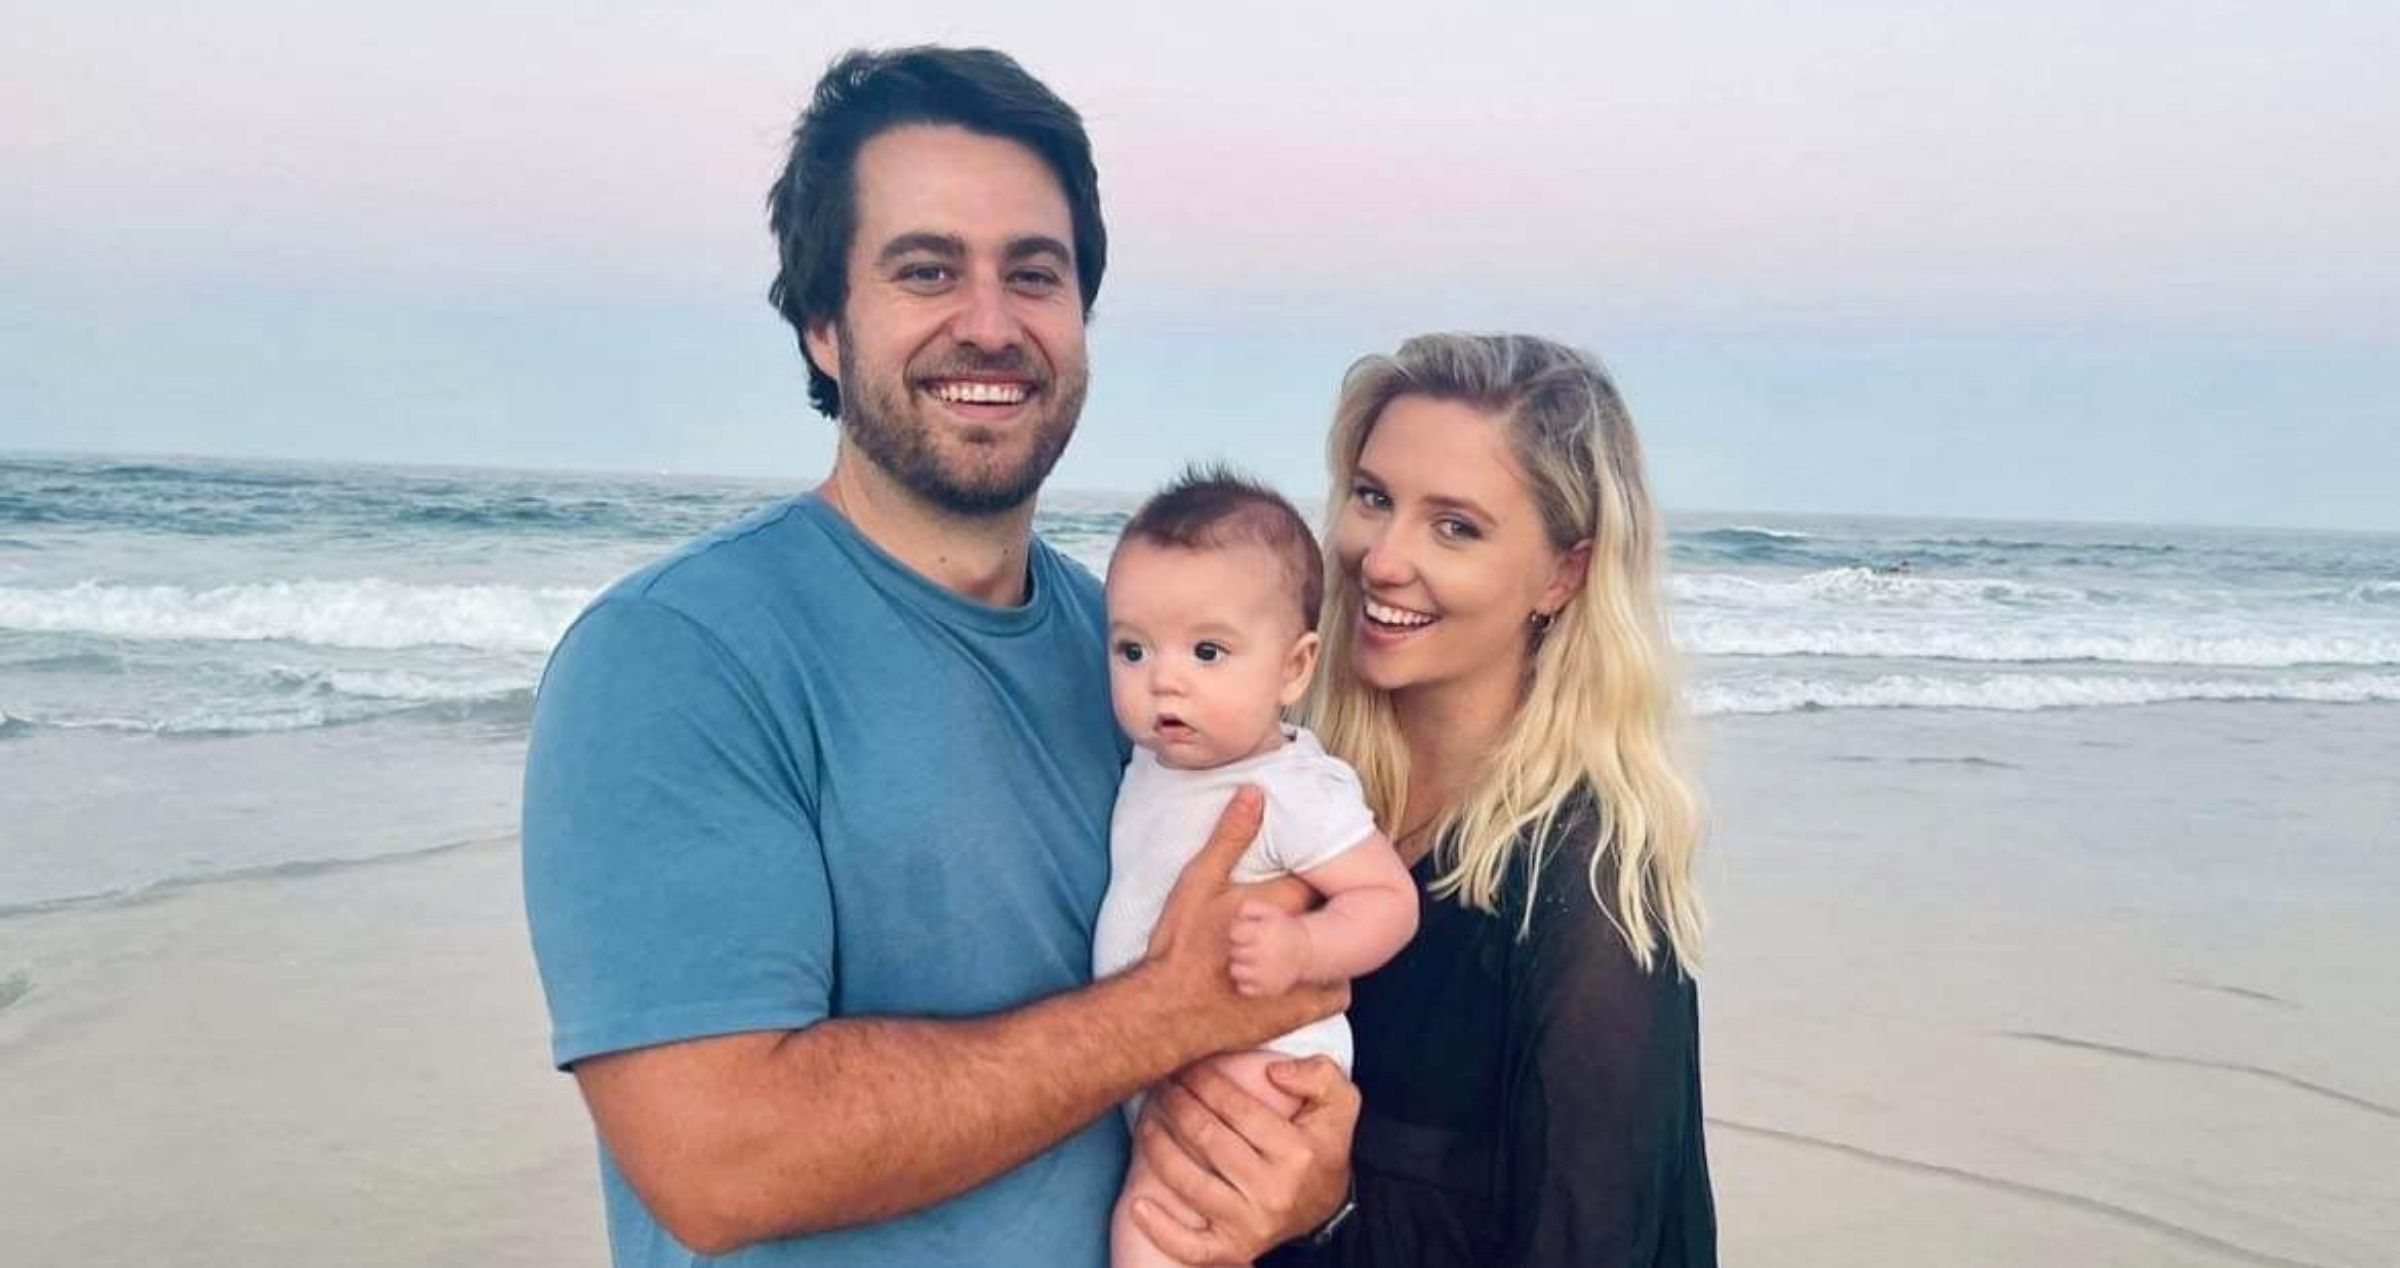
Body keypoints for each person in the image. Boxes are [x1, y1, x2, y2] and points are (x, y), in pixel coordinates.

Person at [520, 47, 1352, 1267]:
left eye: (1036, 274)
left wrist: (1304, 1173)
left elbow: (1264, 1003)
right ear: (821, 324)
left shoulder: (1145, 662)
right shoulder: (673, 659)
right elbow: (717, 1156)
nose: (990, 323)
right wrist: (1156, 1015)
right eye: (926, 270)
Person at [1138, 333, 1719, 1267]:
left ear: (1563, 574)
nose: (1382, 558)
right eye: (1374, 499)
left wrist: (1327, 1215)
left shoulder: (1587, 885)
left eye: (1456, 526)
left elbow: (1592, 1242)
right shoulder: (1302, 789)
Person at [1093, 470, 1420, 1267]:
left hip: (1259, 1076)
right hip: (1168, 1064)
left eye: (1208, 651)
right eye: (1133, 649)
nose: (1163, 679)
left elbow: (1388, 899)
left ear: (1294, 668)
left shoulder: (1292, 788)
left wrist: (1305, 950)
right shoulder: (1151, 762)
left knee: (1155, 1235)